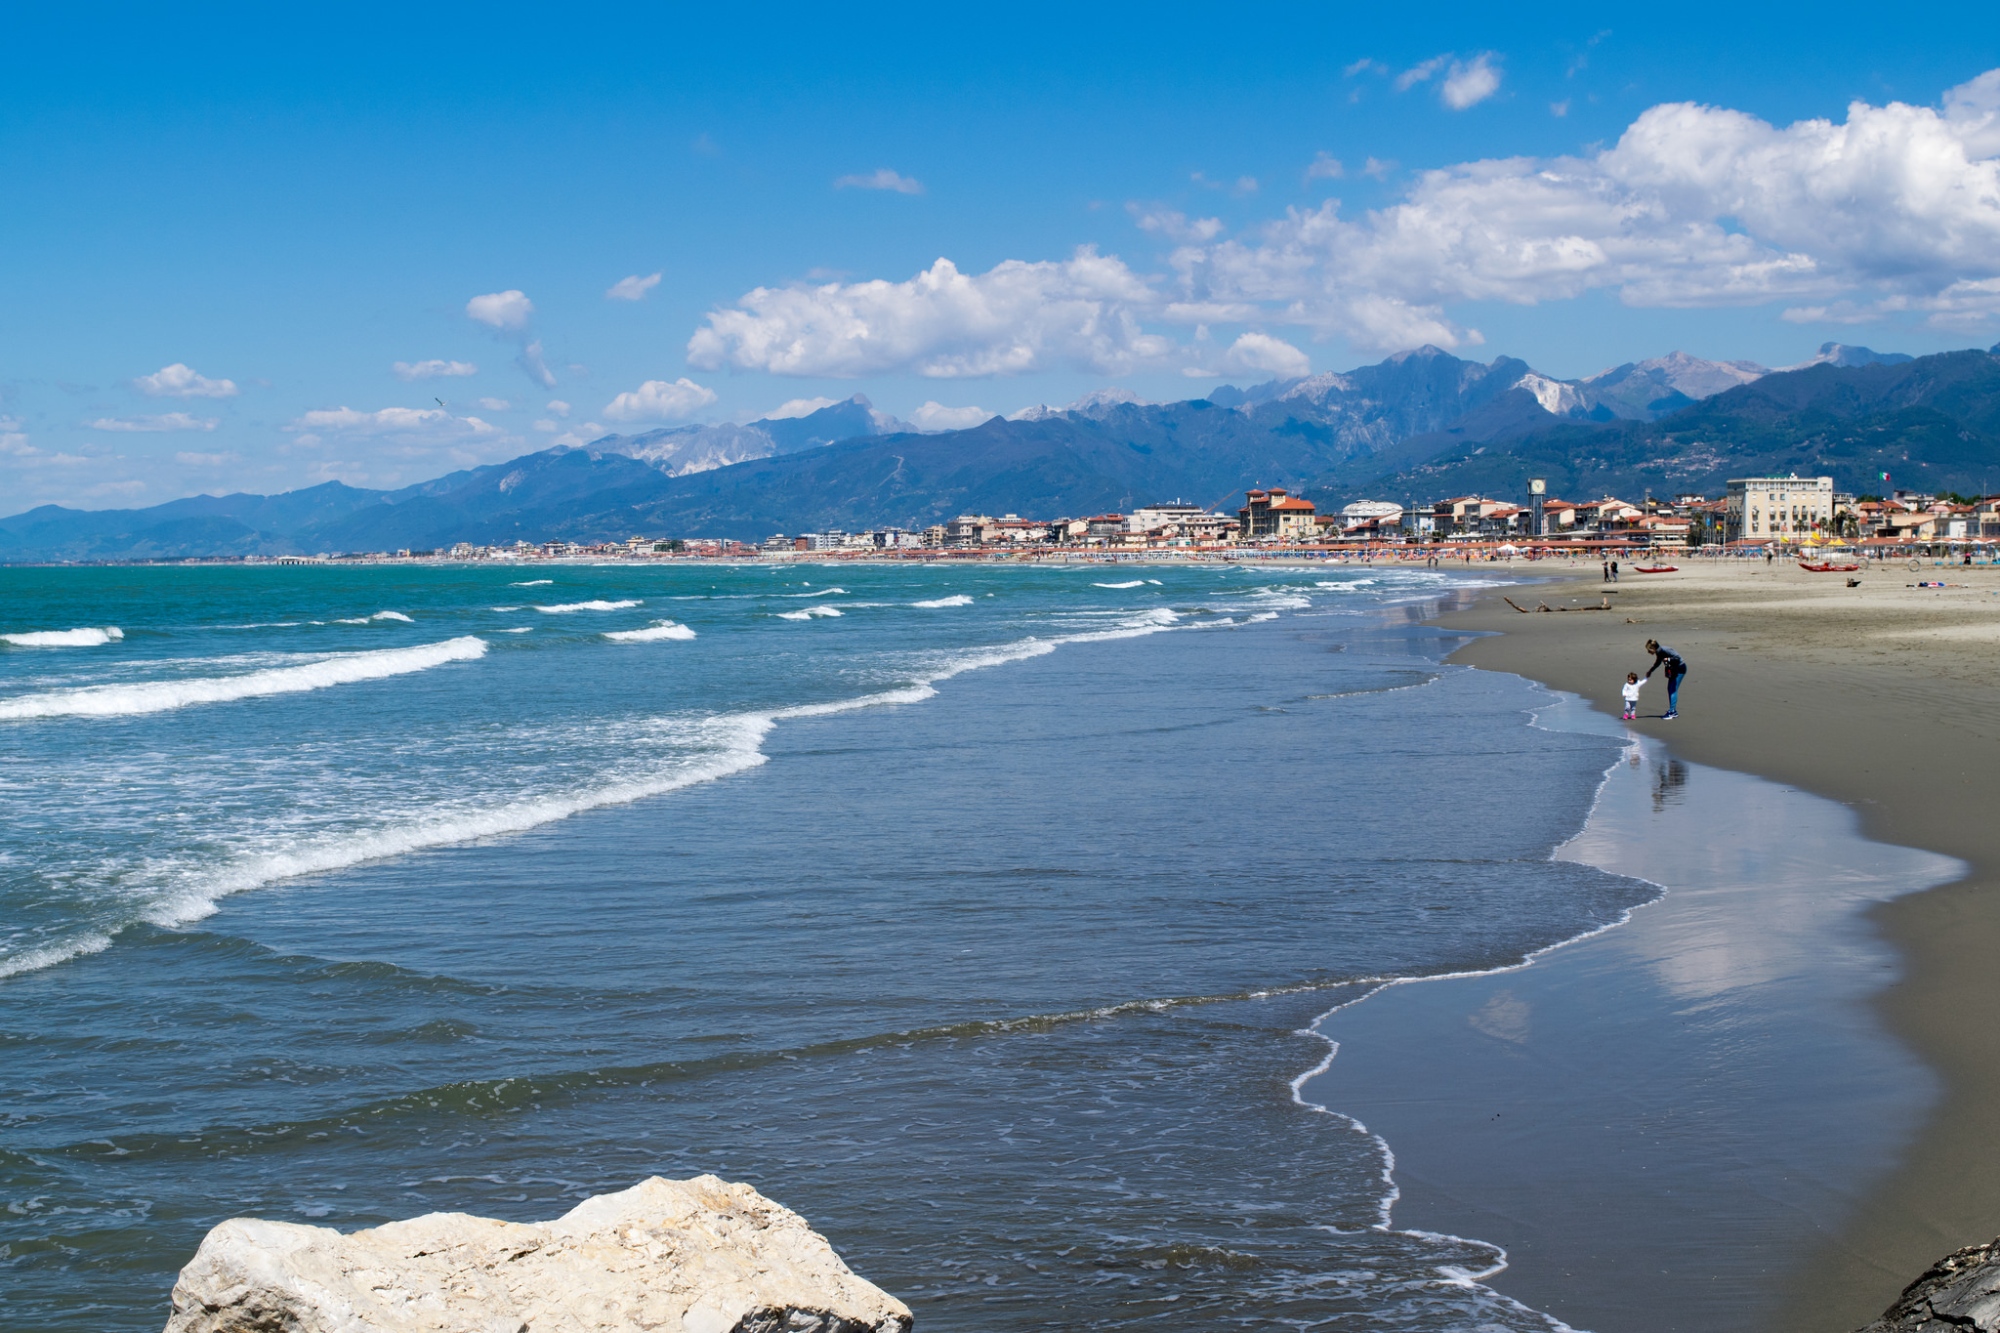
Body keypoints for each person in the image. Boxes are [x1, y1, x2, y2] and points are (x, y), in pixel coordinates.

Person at [1644, 639, 1687, 719]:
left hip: (1680, 668)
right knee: (1669, 688)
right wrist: (1650, 671)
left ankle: (1672, 711)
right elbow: (1658, 662)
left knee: (1673, 689)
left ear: (1653, 647)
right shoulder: (1659, 652)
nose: (1648, 652)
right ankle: (1673, 710)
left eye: (1649, 650)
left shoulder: (1665, 650)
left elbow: (1678, 658)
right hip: (1673, 670)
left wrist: (1668, 660)